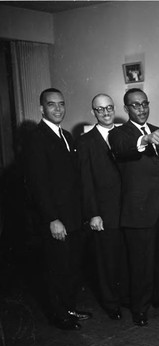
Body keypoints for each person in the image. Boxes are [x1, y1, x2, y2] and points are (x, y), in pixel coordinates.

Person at [108, 88, 159, 327]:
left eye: (144, 104)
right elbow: (124, 149)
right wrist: (145, 139)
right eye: (135, 105)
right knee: (139, 262)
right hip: (137, 212)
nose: (141, 109)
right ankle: (140, 307)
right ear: (126, 109)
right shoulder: (119, 134)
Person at [24, 88, 91, 330]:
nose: (58, 109)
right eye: (52, 105)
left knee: (71, 266)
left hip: (73, 218)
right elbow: (38, 184)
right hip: (56, 219)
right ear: (42, 109)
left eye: (61, 104)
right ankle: (59, 315)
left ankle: (69, 308)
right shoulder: (36, 138)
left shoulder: (66, 136)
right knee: (56, 268)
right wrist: (53, 218)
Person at [75, 94, 126, 320]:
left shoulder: (125, 135)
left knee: (124, 258)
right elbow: (85, 182)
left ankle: (125, 297)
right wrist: (93, 213)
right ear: (93, 112)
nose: (105, 113)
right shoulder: (86, 141)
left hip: (128, 210)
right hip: (103, 213)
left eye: (109, 108)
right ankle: (110, 303)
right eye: (100, 109)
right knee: (106, 261)